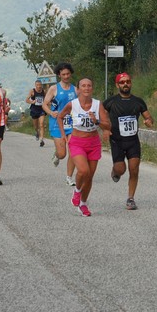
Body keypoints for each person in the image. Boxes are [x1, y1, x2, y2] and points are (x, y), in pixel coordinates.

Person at [57, 78, 111, 217]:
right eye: (83, 86)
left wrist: (97, 121)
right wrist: (63, 135)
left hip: (93, 143)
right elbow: (60, 117)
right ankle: (77, 191)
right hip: (77, 142)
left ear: (92, 88)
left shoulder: (98, 105)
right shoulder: (72, 104)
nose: (86, 88)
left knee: (89, 177)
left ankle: (83, 204)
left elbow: (107, 125)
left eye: (89, 86)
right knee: (83, 170)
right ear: (78, 89)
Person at [103, 72, 154, 210]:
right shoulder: (111, 101)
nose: (125, 84)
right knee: (121, 169)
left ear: (131, 83)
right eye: (122, 82)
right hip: (117, 141)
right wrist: (106, 128)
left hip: (133, 141)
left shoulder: (138, 101)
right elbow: (102, 115)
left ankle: (130, 199)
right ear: (117, 85)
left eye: (128, 81)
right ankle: (115, 172)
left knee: (134, 169)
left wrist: (148, 121)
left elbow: (148, 117)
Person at [43, 62, 79, 186]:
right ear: (59, 75)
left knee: (73, 151)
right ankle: (57, 155)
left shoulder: (75, 89)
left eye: (68, 74)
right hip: (57, 124)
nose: (66, 76)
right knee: (62, 154)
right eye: (63, 74)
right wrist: (50, 113)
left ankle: (69, 177)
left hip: (71, 123)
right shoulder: (54, 88)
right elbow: (44, 104)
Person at [26, 80, 46, 147]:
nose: (39, 86)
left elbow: (47, 99)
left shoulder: (44, 91)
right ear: (35, 85)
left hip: (41, 110)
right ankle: (37, 132)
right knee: (36, 126)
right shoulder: (32, 91)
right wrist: (32, 102)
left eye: (40, 85)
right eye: (37, 85)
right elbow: (27, 100)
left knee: (41, 124)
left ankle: (42, 140)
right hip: (34, 110)